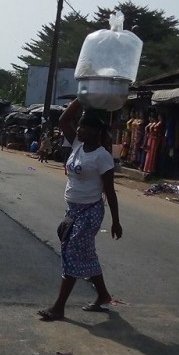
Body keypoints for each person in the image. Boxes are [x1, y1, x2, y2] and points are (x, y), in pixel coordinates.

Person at [37, 100, 122, 321]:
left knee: (72, 251)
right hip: (73, 210)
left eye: (84, 127)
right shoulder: (77, 145)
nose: (79, 129)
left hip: (91, 211)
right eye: (80, 126)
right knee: (85, 253)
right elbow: (64, 119)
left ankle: (59, 307)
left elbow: (110, 191)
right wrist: (81, 100)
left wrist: (116, 221)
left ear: (95, 131)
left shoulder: (102, 156)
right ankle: (103, 294)